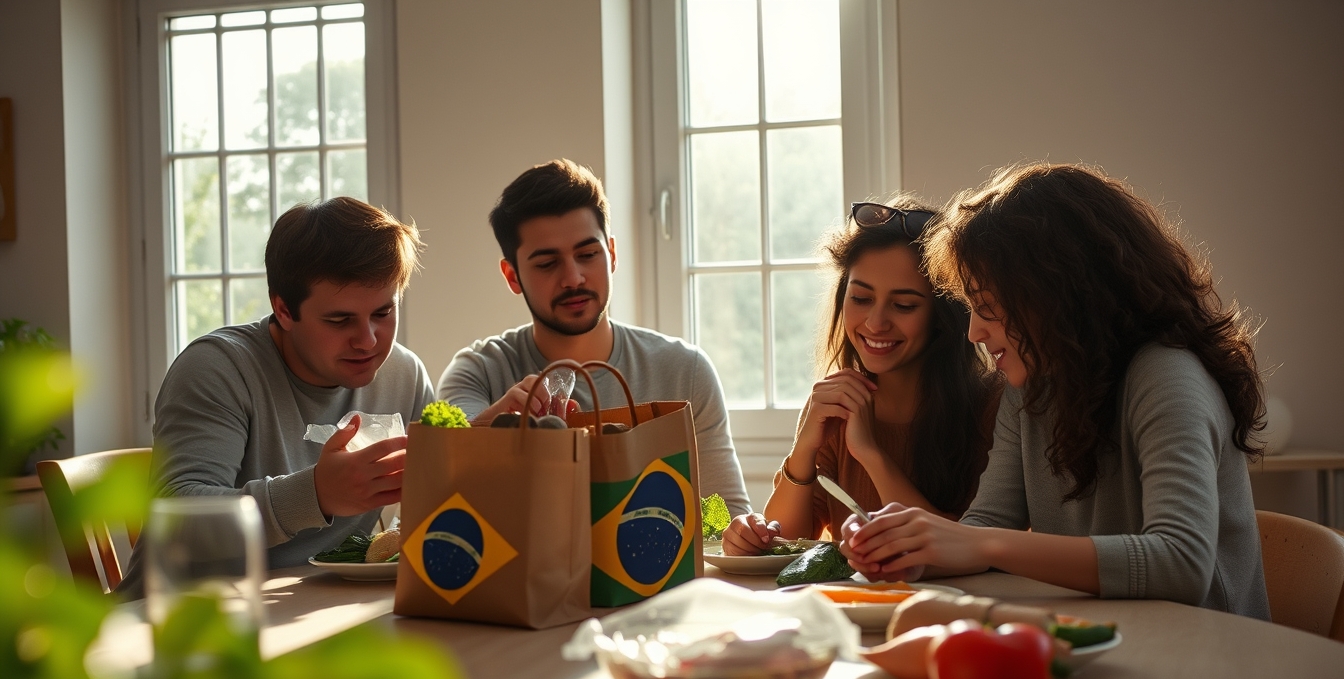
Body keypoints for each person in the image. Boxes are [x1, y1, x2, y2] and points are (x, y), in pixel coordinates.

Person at [840, 163, 1271, 619]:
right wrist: (910, 549)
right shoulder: (1030, 390)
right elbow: (985, 526)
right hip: (1110, 642)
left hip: (1211, 657)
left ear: (1057, 295)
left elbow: (1180, 565)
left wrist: (977, 542)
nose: (974, 333)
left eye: (987, 308)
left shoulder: (1166, 376)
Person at [116, 197, 435, 596]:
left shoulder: (403, 375)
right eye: (339, 320)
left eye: (383, 313)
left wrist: (486, 444)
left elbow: (439, 497)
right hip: (178, 620)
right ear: (283, 310)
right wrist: (316, 494)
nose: (368, 340)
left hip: (308, 611)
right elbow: (177, 519)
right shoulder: (218, 369)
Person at [438, 159, 751, 517]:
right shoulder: (477, 371)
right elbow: (444, 486)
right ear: (512, 276)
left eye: (587, 255)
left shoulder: (686, 370)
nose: (573, 278)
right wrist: (496, 427)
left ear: (612, 254)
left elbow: (728, 520)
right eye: (546, 264)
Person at [723, 195, 1001, 555]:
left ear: (943, 316)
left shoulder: (992, 406)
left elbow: (966, 549)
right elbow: (784, 544)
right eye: (861, 298)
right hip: (854, 608)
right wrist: (803, 449)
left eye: (904, 305)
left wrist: (871, 454)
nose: (875, 323)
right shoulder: (837, 403)